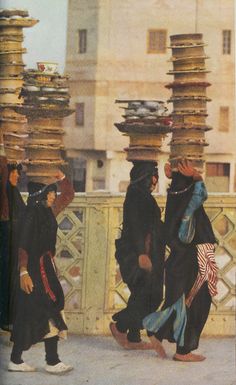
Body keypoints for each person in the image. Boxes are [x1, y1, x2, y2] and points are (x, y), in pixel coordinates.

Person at [143, 160, 218, 362]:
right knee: (197, 301)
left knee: (184, 301)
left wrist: (182, 177)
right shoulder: (189, 195)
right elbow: (199, 196)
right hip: (196, 255)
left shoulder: (175, 194)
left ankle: (160, 332)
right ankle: (180, 348)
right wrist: (198, 179)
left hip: (183, 256)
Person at [8, 170, 75, 374]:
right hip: (34, 270)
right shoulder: (30, 214)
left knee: (45, 311)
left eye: (53, 192)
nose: (53, 196)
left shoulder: (48, 211)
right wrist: (23, 272)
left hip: (46, 267)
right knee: (41, 311)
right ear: (41, 194)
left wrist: (62, 178)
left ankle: (43, 360)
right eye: (50, 192)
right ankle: (37, 360)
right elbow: (23, 246)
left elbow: (68, 195)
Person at [110, 161, 166, 355]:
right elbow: (135, 226)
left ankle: (133, 336)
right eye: (153, 175)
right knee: (152, 294)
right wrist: (142, 253)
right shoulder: (136, 195)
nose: (155, 179)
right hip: (140, 254)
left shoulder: (141, 195)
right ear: (145, 176)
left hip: (149, 252)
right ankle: (120, 325)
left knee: (141, 293)